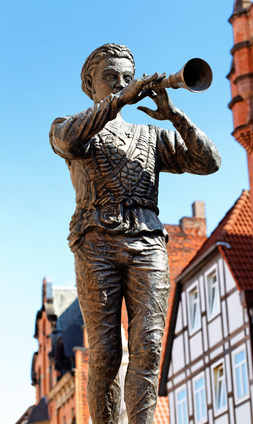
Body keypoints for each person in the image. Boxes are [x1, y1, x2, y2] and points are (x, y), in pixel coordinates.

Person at [49, 43, 221, 424]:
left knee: (149, 346)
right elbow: (67, 142)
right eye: (111, 77)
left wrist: (174, 115)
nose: (122, 84)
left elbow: (209, 163)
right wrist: (117, 101)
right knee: (107, 352)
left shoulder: (150, 135)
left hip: (148, 243)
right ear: (89, 84)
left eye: (128, 77)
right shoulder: (69, 125)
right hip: (96, 243)